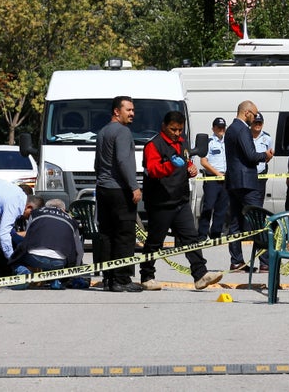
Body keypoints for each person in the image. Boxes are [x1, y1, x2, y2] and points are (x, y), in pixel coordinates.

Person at [140, 111, 224, 290]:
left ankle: (200, 274)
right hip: (160, 202)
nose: (177, 133)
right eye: (173, 129)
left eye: (180, 130)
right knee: (155, 241)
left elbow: (186, 163)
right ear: (164, 126)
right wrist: (171, 164)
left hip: (180, 200)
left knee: (191, 238)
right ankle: (147, 277)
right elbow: (153, 170)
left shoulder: (183, 142)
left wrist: (190, 168)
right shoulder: (153, 145)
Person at [94, 96, 143, 293]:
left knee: (106, 234)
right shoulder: (123, 132)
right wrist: (134, 186)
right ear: (117, 111)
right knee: (124, 235)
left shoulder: (103, 131)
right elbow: (123, 161)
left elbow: (97, 163)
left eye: (133, 110)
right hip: (119, 190)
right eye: (128, 110)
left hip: (103, 189)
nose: (132, 113)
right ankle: (121, 279)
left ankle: (108, 279)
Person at [224, 100, 274, 272]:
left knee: (236, 222)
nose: (254, 119)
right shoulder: (243, 130)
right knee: (258, 220)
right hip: (247, 182)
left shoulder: (230, 129)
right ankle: (265, 262)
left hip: (233, 181)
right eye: (254, 114)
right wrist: (265, 155)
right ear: (247, 113)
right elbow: (250, 155)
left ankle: (236, 260)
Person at [8, 199, 86, 290]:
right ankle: (56, 280)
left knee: (16, 257)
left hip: (34, 258)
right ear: (64, 210)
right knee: (56, 258)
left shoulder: (36, 213)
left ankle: (23, 273)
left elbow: (28, 239)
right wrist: (74, 272)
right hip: (59, 262)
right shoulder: (72, 221)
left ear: (46, 207)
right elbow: (79, 251)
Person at [197, 117, 229, 240]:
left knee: (222, 208)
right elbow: (203, 162)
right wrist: (217, 174)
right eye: (218, 127)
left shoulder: (228, 142)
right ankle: (202, 234)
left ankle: (216, 233)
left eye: (223, 127)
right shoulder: (208, 142)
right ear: (213, 128)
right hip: (212, 178)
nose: (221, 129)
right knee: (208, 206)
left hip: (225, 178)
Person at [251, 112, 272, 206]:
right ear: (251, 123)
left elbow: (269, 155)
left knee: (259, 202)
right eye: (255, 122)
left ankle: (257, 220)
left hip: (260, 175)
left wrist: (262, 164)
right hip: (248, 174)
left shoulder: (267, 138)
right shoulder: (245, 135)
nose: (257, 125)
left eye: (260, 123)